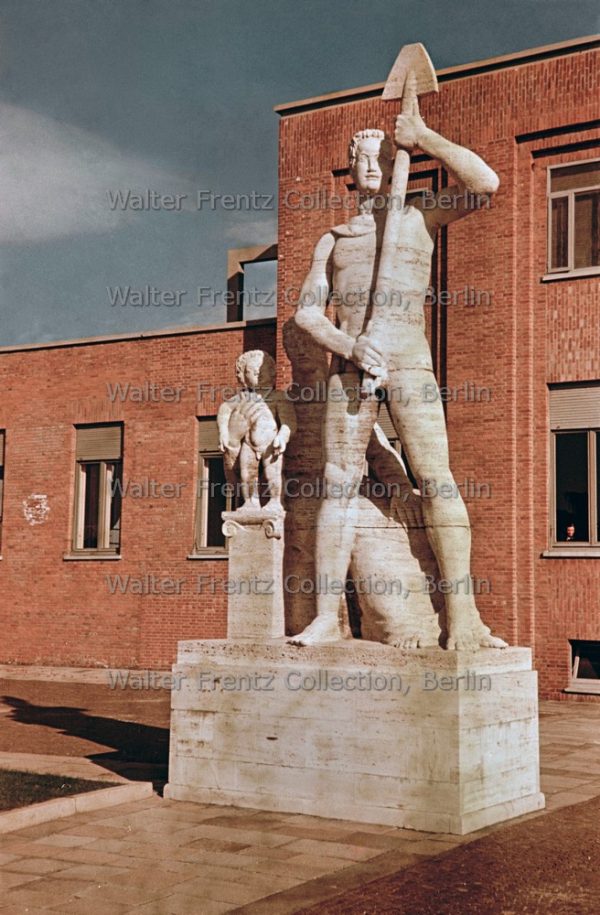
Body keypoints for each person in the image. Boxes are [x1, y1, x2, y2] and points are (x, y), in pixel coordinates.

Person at [291, 111, 506, 650]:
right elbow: (307, 315)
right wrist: (350, 345)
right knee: (337, 484)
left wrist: (425, 138)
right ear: (350, 170)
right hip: (351, 369)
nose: (368, 164)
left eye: (380, 156)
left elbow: (485, 184)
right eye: (359, 157)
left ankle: (464, 616)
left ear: (393, 166)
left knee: (437, 478)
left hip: (409, 359)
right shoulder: (334, 239)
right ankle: (324, 618)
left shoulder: (418, 217)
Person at [217, 350, 296, 513]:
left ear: (273, 372)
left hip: (270, 444)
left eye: (262, 369)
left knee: (273, 472)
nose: (257, 374)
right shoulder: (243, 397)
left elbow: (289, 422)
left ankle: (275, 500)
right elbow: (224, 409)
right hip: (248, 443)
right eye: (251, 371)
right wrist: (224, 432)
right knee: (247, 473)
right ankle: (250, 502)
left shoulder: (278, 397)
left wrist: (282, 437)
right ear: (243, 376)